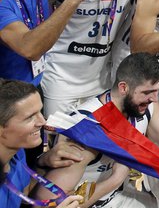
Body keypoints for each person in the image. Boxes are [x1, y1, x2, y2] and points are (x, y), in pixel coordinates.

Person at [35, 53, 159, 207]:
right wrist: (115, 179)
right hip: (96, 201)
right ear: (123, 88)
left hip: (121, 193)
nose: (154, 98)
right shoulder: (87, 129)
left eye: (157, 90)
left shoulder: (145, 106)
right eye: (147, 92)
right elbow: (51, 203)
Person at [41, 0, 150, 117]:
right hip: (61, 77)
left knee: (95, 141)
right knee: (58, 141)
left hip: (101, 80)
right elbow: (40, 16)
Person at [0, 79, 92, 208]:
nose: (42, 122)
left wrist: (42, 164)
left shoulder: (17, 152)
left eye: (40, 112)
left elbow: (22, 194)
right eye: (30, 117)